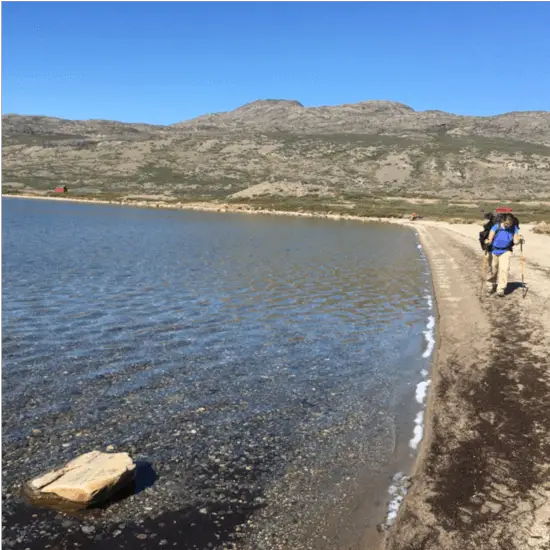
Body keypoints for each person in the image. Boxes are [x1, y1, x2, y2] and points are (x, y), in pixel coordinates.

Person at [485, 213, 523, 297]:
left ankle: (501, 289)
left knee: (504, 269)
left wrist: (519, 239)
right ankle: (491, 284)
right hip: (494, 251)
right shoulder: (496, 226)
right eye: (506, 224)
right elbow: (490, 237)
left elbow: (515, 242)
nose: (508, 226)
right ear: (503, 221)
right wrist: (488, 241)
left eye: (510, 224)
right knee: (493, 270)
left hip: (506, 251)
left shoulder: (514, 228)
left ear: (512, 222)